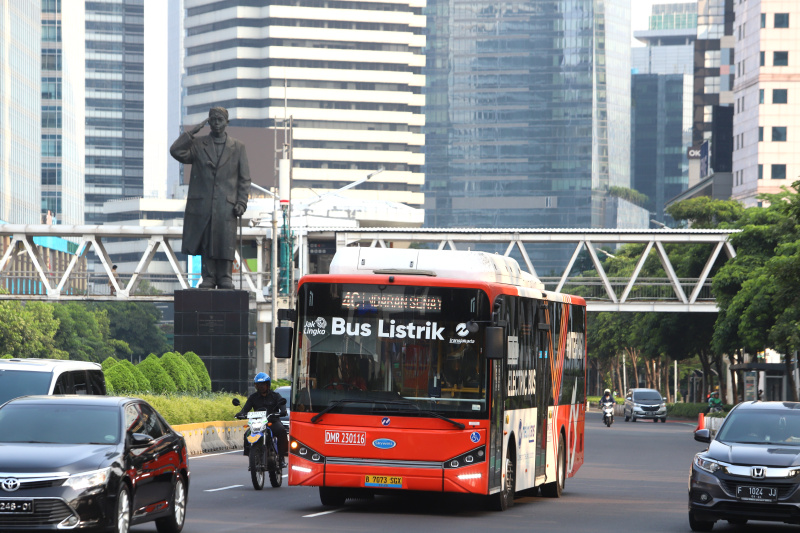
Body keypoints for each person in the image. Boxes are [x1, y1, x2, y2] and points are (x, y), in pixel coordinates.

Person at [170, 106, 251, 290]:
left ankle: (225, 276)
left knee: (225, 241)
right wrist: (191, 134)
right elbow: (176, 151)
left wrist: (241, 202)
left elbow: (244, 179)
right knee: (206, 241)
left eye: (219, 120)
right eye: (212, 120)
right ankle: (208, 276)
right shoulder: (199, 145)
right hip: (203, 205)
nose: (216, 123)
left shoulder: (238, 147)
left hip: (226, 205)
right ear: (208, 122)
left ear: (226, 122)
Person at [236, 373, 288, 463]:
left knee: (282, 431)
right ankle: (250, 454)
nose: (261, 386)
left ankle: (281, 456)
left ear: (268, 384)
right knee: (246, 434)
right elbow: (245, 409)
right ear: (256, 386)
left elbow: (282, 405)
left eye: (263, 384)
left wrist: (283, 411)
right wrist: (240, 414)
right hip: (258, 423)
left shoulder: (275, 396)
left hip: (272, 422)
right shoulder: (253, 397)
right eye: (259, 385)